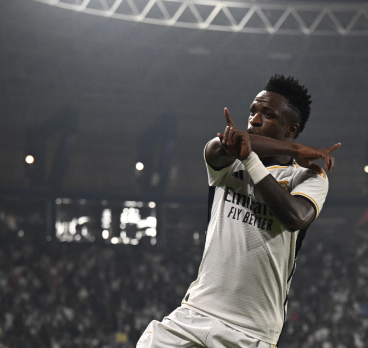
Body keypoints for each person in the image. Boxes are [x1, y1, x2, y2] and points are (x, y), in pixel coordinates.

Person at [137, 74, 340, 348]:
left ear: (291, 129)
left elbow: (295, 217)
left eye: (267, 114)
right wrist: (293, 148)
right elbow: (222, 147)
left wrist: (251, 160)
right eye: (253, 111)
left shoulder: (308, 176)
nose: (254, 120)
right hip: (195, 313)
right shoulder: (226, 157)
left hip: (251, 331)